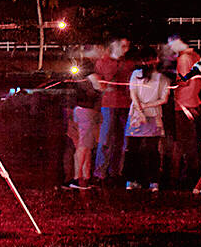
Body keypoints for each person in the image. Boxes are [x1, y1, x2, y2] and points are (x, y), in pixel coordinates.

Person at [90, 37, 134, 185]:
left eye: (127, 46)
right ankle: (102, 171)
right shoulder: (103, 62)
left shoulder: (128, 63)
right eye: (123, 46)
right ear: (114, 45)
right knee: (107, 139)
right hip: (109, 105)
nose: (126, 49)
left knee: (119, 141)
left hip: (123, 105)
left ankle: (114, 172)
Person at [124, 58, 169, 190]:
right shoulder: (162, 78)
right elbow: (164, 99)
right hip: (154, 115)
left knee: (133, 149)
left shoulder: (135, 74)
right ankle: (153, 181)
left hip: (135, 116)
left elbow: (133, 95)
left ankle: (131, 180)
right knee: (153, 150)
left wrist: (140, 110)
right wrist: (146, 106)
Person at [63, 48, 103, 190]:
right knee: (84, 147)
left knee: (84, 146)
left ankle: (84, 178)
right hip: (87, 112)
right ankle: (79, 178)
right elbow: (102, 89)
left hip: (80, 112)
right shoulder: (92, 77)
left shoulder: (79, 79)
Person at [167, 35, 201, 188]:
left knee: (182, 143)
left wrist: (170, 83)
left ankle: (182, 179)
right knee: (191, 142)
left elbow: (184, 80)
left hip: (183, 104)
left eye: (171, 44)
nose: (170, 48)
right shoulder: (196, 56)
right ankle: (193, 176)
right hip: (193, 101)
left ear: (178, 42)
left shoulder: (184, 58)